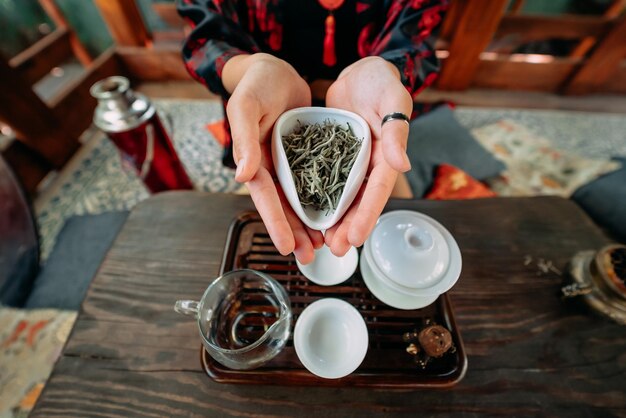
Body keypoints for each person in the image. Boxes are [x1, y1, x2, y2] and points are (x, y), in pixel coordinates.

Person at [177, 0, 447, 264]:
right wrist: (250, 70)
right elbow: (204, 38)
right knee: (253, 214)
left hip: (367, 114)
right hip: (268, 120)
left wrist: (388, 70)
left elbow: (418, 39)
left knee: (392, 215)